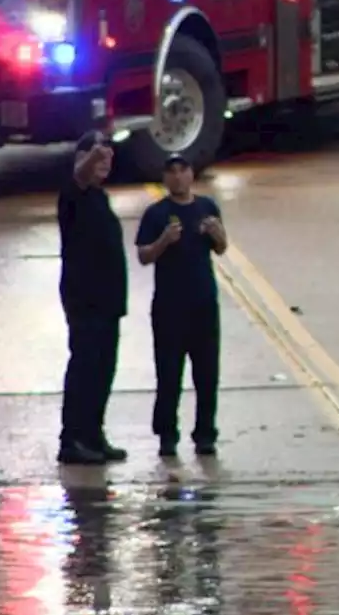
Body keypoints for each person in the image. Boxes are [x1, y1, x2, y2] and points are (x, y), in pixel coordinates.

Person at [135, 153, 228, 458]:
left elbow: (222, 247)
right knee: (169, 374)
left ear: (191, 175)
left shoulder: (207, 208)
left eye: (182, 170)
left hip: (203, 304)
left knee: (206, 373)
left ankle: (205, 434)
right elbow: (144, 255)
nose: (177, 177)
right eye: (171, 172)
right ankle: (167, 435)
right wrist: (164, 241)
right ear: (165, 178)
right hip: (169, 307)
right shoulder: (155, 214)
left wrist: (217, 234)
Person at [57, 131, 129, 465]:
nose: (103, 162)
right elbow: (79, 176)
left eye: (107, 157)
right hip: (84, 298)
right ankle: (72, 439)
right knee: (85, 366)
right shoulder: (74, 194)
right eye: (95, 156)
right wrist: (94, 154)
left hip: (108, 301)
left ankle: (93, 434)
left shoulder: (100, 197)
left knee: (104, 368)